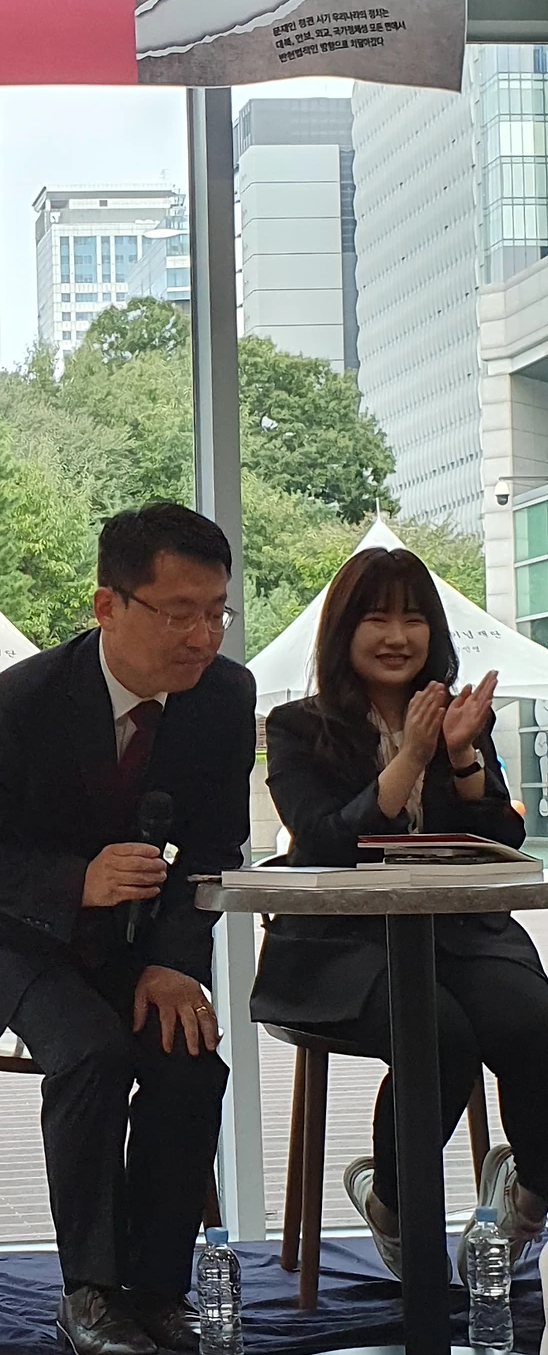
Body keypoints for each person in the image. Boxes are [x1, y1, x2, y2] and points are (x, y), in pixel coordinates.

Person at [0, 503, 256, 1355]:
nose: (202, 636)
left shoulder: (225, 697)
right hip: (5, 937)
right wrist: (78, 880)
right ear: (108, 605)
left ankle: (157, 1290)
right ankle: (91, 1294)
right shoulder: (24, 699)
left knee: (190, 1062)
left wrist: (174, 963)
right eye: (178, 612)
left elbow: (212, 851)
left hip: (129, 945)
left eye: (216, 611)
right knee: (93, 1051)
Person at [251, 546, 548, 1285]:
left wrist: (461, 754)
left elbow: (502, 836)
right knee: (437, 1033)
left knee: (536, 1019)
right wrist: (411, 756)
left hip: (458, 934)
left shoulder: (456, 716)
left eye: (413, 619)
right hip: (339, 945)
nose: (397, 636)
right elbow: (323, 839)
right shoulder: (294, 727)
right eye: (376, 618)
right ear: (343, 630)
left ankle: (529, 1196)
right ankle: (392, 1204)